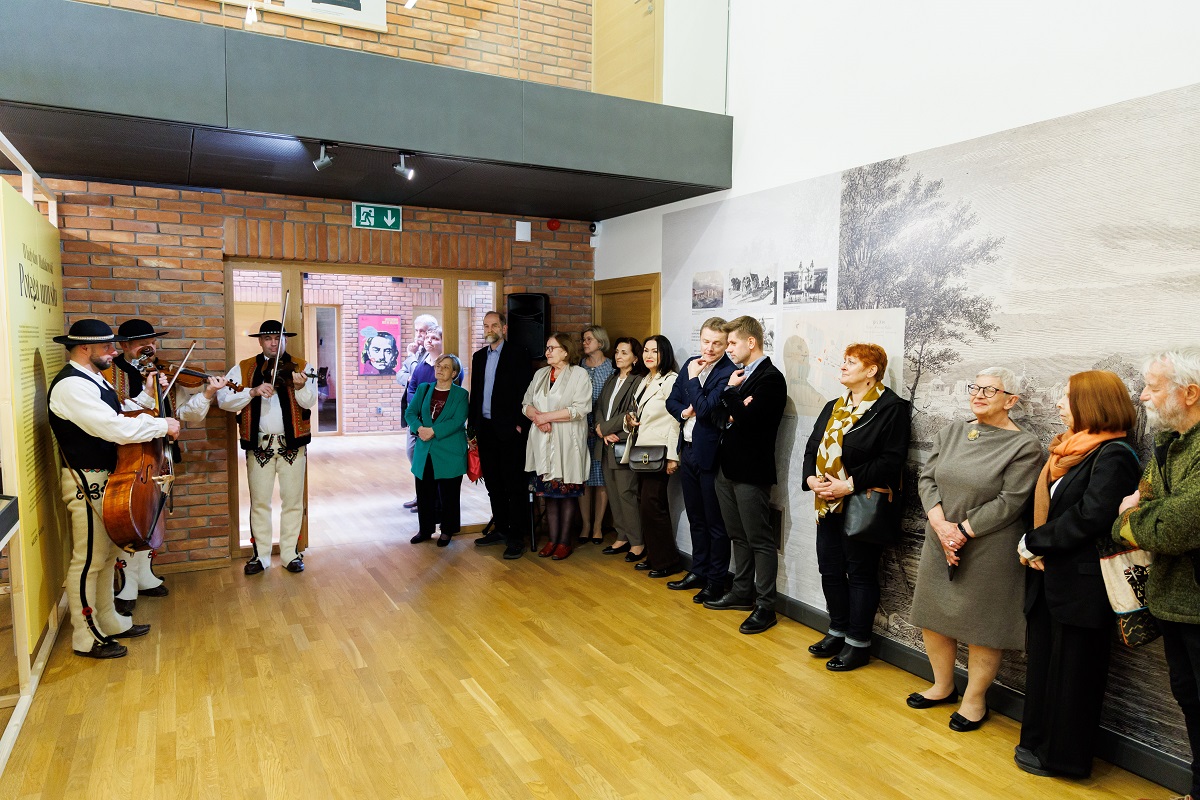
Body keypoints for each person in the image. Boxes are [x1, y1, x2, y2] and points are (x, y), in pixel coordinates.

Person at [1013, 371, 1140, 778]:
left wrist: (1035, 542)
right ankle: (1036, 742)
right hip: (1050, 577)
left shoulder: (1115, 454)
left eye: (1067, 397)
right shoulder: (1069, 451)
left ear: (1092, 403)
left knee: (1075, 676)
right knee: (1046, 667)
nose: (1058, 403)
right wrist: (1035, 545)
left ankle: (1065, 760)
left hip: (1082, 585)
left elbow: (1092, 516)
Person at [907, 368, 1042, 731]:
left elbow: (1011, 500)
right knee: (934, 614)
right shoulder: (952, 431)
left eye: (990, 390)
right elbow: (927, 479)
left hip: (990, 546)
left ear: (1011, 401)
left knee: (984, 625)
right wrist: (941, 526)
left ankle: (974, 700)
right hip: (940, 537)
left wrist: (961, 532)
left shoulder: (1025, 446)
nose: (978, 395)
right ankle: (942, 685)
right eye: (975, 388)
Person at [47, 319, 181, 659]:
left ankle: (108, 619)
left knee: (107, 557)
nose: (112, 351)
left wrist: (147, 396)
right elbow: (112, 427)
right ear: (84, 348)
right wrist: (161, 425)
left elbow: (120, 411)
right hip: (86, 481)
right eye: (107, 346)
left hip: (106, 478)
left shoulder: (93, 378)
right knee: (88, 560)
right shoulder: (70, 385)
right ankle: (84, 634)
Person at [1114, 348, 1200, 800]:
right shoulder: (1168, 444)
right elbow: (1137, 514)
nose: (1143, 396)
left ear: (1190, 393)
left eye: (1152, 387)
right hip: (1172, 600)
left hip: (1196, 604)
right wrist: (1137, 515)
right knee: (1190, 700)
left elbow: (1175, 527)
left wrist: (1131, 515)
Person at [104, 318, 225, 616]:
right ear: (125, 346)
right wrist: (148, 393)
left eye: (153, 342)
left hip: (161, 455)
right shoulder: (108, 374)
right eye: (142, 343)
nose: (150, 348)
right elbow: (116, 416)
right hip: (127, 458)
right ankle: (127, 584)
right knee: (130, 518)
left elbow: (183, 413)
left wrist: (207, 395)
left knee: (153, 515)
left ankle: (145, 575)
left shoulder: (164, 372)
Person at [803, 344, 911, 670]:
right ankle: (837, 630)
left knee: (861, 573)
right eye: (844, 361)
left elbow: (891, 461)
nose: (843, 366)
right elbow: (812, 447)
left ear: (871, 371)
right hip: (827, 503)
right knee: (830, 569)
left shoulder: (891, 408)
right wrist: (811, 479)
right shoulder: (833, 406)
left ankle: (858, 643)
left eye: (851, 362)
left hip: (862, 504)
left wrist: (848, 485)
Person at [703, 316, 787, 635]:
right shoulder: (738, 376)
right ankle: (741, 592)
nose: (728, 349)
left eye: (732, 343)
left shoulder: (771, 379)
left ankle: (765, 606)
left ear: (751, 342)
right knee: (737, 535)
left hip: (751, 470)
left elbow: (750, 423)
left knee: (759, 539)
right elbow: (716, 416)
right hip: (727, 467)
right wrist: (734, 401)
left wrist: (732, 397)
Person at [217, 319, 317, 575]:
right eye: (268, 338)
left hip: (292, 444)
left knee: (293, 501)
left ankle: (290, 553)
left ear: (285, 340)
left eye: (279, 338)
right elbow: (224, 400)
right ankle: (260, 555)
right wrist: (251, 392)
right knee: (260, 502)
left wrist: (300, 387)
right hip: (259, 444)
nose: (274, 343)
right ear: (260, 341)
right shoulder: (243, 368)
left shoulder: (302, 367)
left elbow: (309, 402)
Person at [665, 317, 737, 603]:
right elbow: (672, 401)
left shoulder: (729, 372)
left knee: (714, 522)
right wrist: (684, 412)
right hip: (688, 449)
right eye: (706, 341)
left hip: (712, 454)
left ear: (726, 344)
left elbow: (706, 410)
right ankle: (699, 571)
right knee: (695, 517)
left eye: (717, 343)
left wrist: (694, 380)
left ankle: (716, 581)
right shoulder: (690, 363)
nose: (709, 348)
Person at [469, 311, 535, 559]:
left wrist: (519, 425)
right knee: (493, 484)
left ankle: (516, 537)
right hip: (485, 429)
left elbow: (526, 392)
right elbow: (476, 394)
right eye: (486, 325)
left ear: (504, 328)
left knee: (514, 484)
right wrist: (472, 428)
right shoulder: (478, 357)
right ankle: (501, 529)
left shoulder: (518, 354)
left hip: (509, 430)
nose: (490, 329)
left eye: (494, 325)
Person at [523, 332, 592, 560]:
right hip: (542, 439)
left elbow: (580, 409)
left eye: (552, 348)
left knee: (567, 494)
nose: (547, 352)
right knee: (549, 494)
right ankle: (552, 540)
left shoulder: (579, 374)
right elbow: (526, 403)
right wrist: (537, 418)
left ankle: (564, 542)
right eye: (547, 348)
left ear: (566, 351)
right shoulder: (541, 374)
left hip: (567, 441)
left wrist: (546, 417)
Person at [622, 335, 682, 577]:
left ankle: (667, 561)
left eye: (654, 351)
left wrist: (673, 456)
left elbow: (676, 420)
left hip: (659, 451)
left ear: (664, 353)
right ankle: (656, 556)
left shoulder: (671, 380)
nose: (648, 355)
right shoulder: (645, 379)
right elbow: (638, 413)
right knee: (647, 505)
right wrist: (629, 421)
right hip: (642, 449)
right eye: (645, 350)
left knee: (652, 505)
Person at [405, 354, 470, 547]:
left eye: (446, 367)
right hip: (425, 450)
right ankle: (425, 530)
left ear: (454, 373)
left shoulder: (461, 394)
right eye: (438, 366)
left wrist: (433, 431)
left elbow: (458, 420)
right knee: (424, 492)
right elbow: (410, 412)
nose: (440, 369)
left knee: (449, 494)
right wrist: (419, 428)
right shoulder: (424, 389)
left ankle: (447, 531)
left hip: (450, 452)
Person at [594, 337, 646, 562]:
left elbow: (632, 412)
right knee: (613, 493)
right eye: (617, 352)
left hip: (623, 443)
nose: (618, 356)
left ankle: (637, 542)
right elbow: (599, 407)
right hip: (606, 443)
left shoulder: (638, 381)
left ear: (635, 358)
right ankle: (622, 536)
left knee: (627, 494)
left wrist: (604, 429)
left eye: (624, 353)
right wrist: (600, 430)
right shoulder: (612, 378)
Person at [403, 327, 460, 514]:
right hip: (420, 423)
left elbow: (455, 412)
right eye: (427, 337)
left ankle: (437, 507)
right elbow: (412, 388)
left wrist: (432, 427)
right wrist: (419, 419)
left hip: (439, 431)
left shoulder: (453, 374)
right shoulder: (422, 364)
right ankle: (423, 501)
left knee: (438, 472)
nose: (428, 340)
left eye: (434, 338)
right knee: (416, 459)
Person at [397, 313, 438, 509]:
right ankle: (421, 494)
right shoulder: (418, 352)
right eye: (417, 331)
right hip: (413, 414)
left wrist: (411, 357)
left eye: (423, 331)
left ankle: (428, 498)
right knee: (412, 453)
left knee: (423, 457)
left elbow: (416, 374)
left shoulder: (430, 354)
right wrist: (409, 376)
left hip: (428, 416)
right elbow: (401, 373)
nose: (420, 335)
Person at [578, 325, 615, 544]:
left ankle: (598, 526)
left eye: (589, 339)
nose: (584, 343)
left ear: (600, 342)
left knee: (601, 479)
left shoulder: (611, 367)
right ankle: (585, 525)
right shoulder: (579, 366)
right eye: (583, 339)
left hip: (602, 430)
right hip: (581, 429)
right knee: (583, 479)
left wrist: (603, 427)